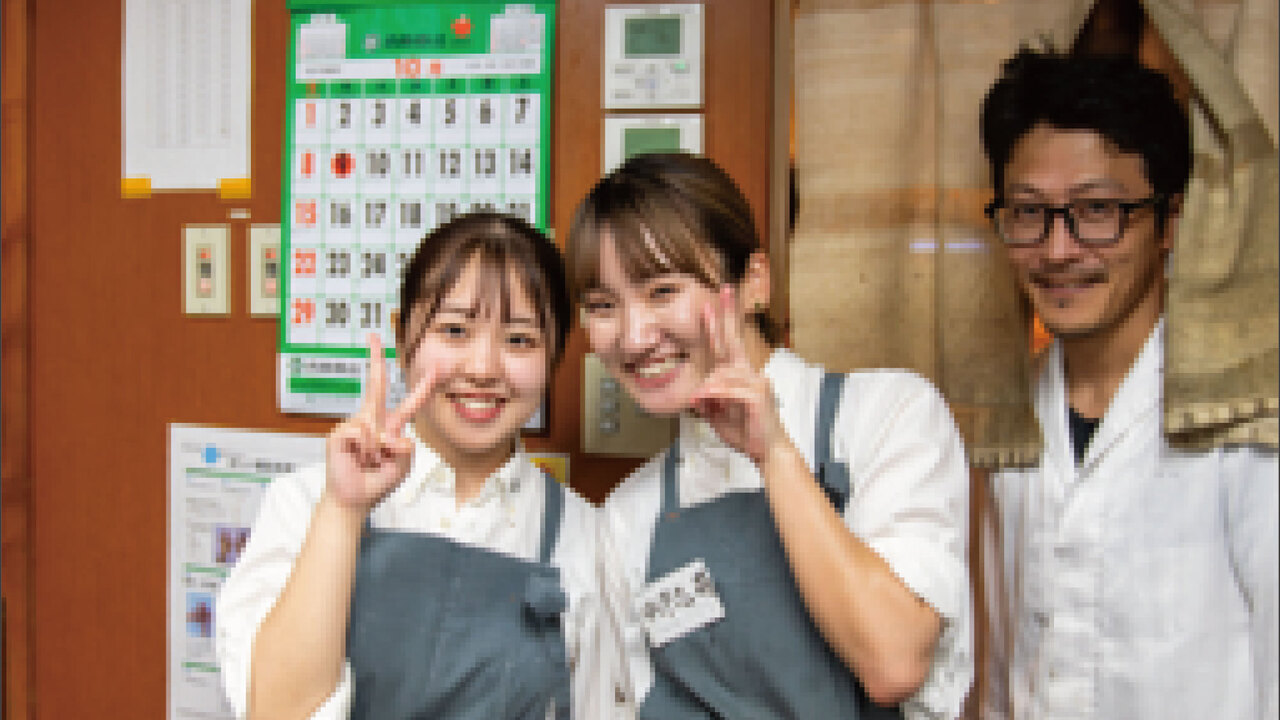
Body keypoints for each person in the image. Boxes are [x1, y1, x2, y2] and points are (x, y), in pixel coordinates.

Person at [567, 153, 973, 719]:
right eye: (603, 306)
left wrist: (774, 454)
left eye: (662, 291)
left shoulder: (885, 416)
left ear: (753, 281)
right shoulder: (629, 516)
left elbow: (893, 662)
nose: (633, 338)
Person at [977, 48, 1278, 719]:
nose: (1058, 250)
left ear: (1170, 222)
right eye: (1028, 212)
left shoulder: (1243, 414)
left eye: (1097, 210)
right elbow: (1004, 671)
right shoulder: (1009, 410)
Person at [216, 213, 602, 719]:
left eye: (519, 340)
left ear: (554, 357)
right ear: (402, 338)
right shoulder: (305, 504)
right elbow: (276, 713)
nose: (483, 368)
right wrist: (342, 511)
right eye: (455, 330)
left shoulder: (587, 538)